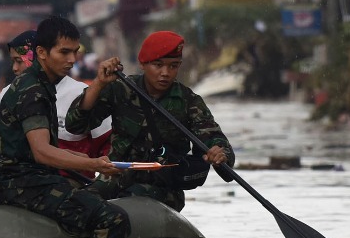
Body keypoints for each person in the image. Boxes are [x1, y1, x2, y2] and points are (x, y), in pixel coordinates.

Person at [0, 16, 127, 238]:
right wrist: (94, 164)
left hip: (34, 178)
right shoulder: (32, 90)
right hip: (23, 183)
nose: (72, 60)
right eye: (64, 52)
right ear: (42, 52)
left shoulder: (41, 84)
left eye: (75, 52)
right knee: (112, 219)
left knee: (94, 196)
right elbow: (42, 152)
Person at [65, 31, 232, 212]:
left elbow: (215, 140)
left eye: (173, 66)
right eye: (158, 65)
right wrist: (98, 83)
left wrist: (220, 154)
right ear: (143, 64)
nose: (165, 73)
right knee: (75, 205)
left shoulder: (189, 101)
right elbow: (75, 125)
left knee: (127, 205)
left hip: (163, 186)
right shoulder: (121, 89)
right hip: (114, 178)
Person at [0, 30, 37, 99]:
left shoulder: (55, 93)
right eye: (13, 61)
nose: (14, 68)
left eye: (19, 61)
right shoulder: (7, 94)